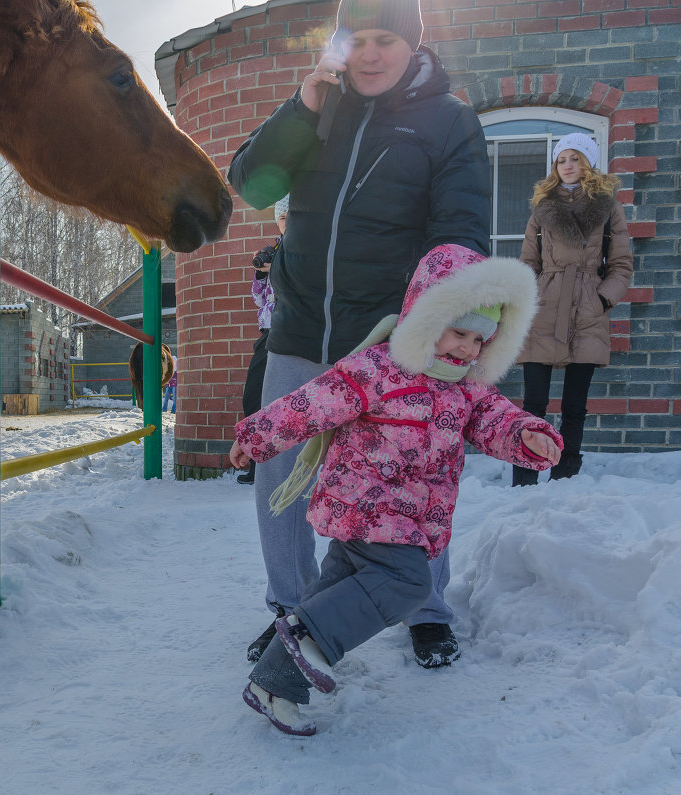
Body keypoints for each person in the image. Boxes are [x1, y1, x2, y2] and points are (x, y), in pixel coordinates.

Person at [227, 0, 491, 667]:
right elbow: (253, 184)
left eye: (386, 40)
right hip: (300, 329)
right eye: (359, 40)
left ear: (412, 46)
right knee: (281, 475)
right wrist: (303, 105)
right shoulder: (321, 109)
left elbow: (461, 229)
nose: (371, 54)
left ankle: (426, 607)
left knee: (410, 476)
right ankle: (292, 607)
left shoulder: (449, 120)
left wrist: (440, 325)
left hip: (390, 340)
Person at [229, 244, 561, 736]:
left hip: (412, 519)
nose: (467, 349)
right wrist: (256, 436)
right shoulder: (378, 368)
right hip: (364, 509)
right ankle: (308, 639)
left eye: (479, 340)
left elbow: (497, 420)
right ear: (427, 316)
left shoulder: (467, 388)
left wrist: (528, 437)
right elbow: (311, 404)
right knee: (408, 585)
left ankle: (275, 682)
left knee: (330, 593)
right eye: (458, 331)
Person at [512, 133, 633, 486]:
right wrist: (531, 296)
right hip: (545, 307)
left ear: (588, 163)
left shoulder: (607, 207)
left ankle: (566, 476)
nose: (568, 165)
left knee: (574, 406)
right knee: (533, 402)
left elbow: (622, 263)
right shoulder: (542, 206)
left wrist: (603, 298)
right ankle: (525, 477)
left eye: (576, 158)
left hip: (586, 309)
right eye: (562, 159)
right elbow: (527, 263)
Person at [238, 196, 289, 486]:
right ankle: (259, 464)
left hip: (290, 334)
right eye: (282, 218)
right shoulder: (275, 250)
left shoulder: (302, 251)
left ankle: (276, 469)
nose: (287, 224)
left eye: (292, 217)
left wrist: (278, 269)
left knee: (280, 402)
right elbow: (259, 298)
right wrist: (261, 272)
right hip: (267, 334)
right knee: (254, 397)